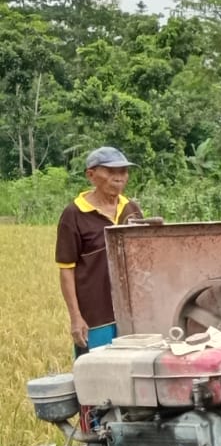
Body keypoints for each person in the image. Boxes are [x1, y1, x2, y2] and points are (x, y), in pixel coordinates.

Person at [57, 146, 143, 356]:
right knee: (98, 371)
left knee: (134, 369)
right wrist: (76, 317)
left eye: (123, 171)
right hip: (96, 318)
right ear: (91, 175)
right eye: (111, 171)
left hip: (133, 313)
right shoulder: (74, 214)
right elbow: (66, 269)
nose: (119, 177)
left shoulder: (131, 209)